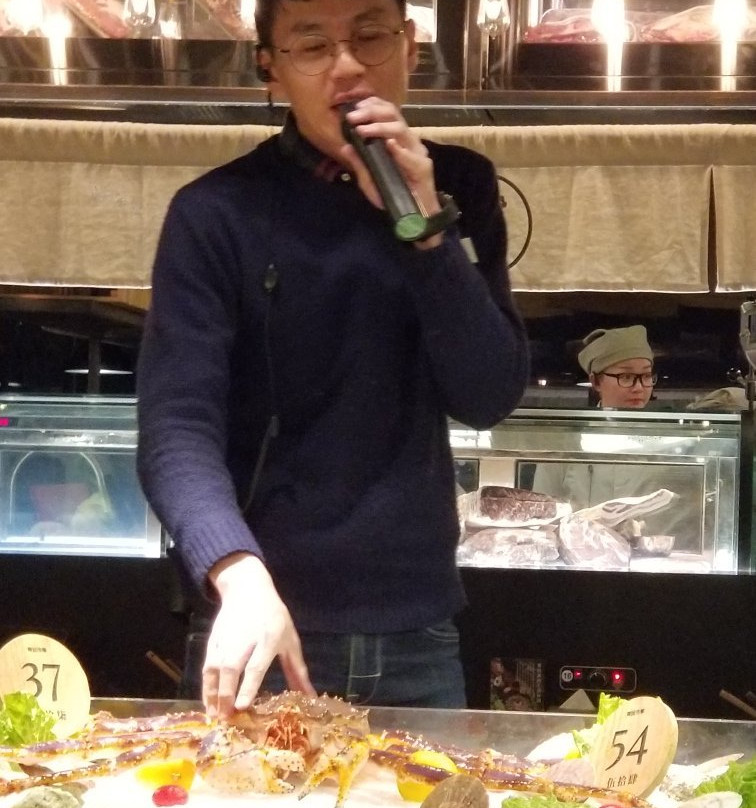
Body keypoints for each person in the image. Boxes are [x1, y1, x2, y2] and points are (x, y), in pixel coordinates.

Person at [136, 0, 530, 718]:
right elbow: (176, 428)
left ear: (410, 49)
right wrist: (238, 576)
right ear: (271, 71)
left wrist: (425, 229)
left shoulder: (461, 187)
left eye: (370, 36)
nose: (347, 66)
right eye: (313, 46)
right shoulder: (215, 212)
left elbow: (487, 394)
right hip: (262, 625)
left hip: (417, 627)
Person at [531, 326, 703, 554]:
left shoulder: (672, 441)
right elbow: (543, 516)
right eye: (626, 377)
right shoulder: (566, 442)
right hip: (583, 560)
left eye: (646, 376)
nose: (639, 387)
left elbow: (690, 517)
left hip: (653, 562)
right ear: (596, 381)